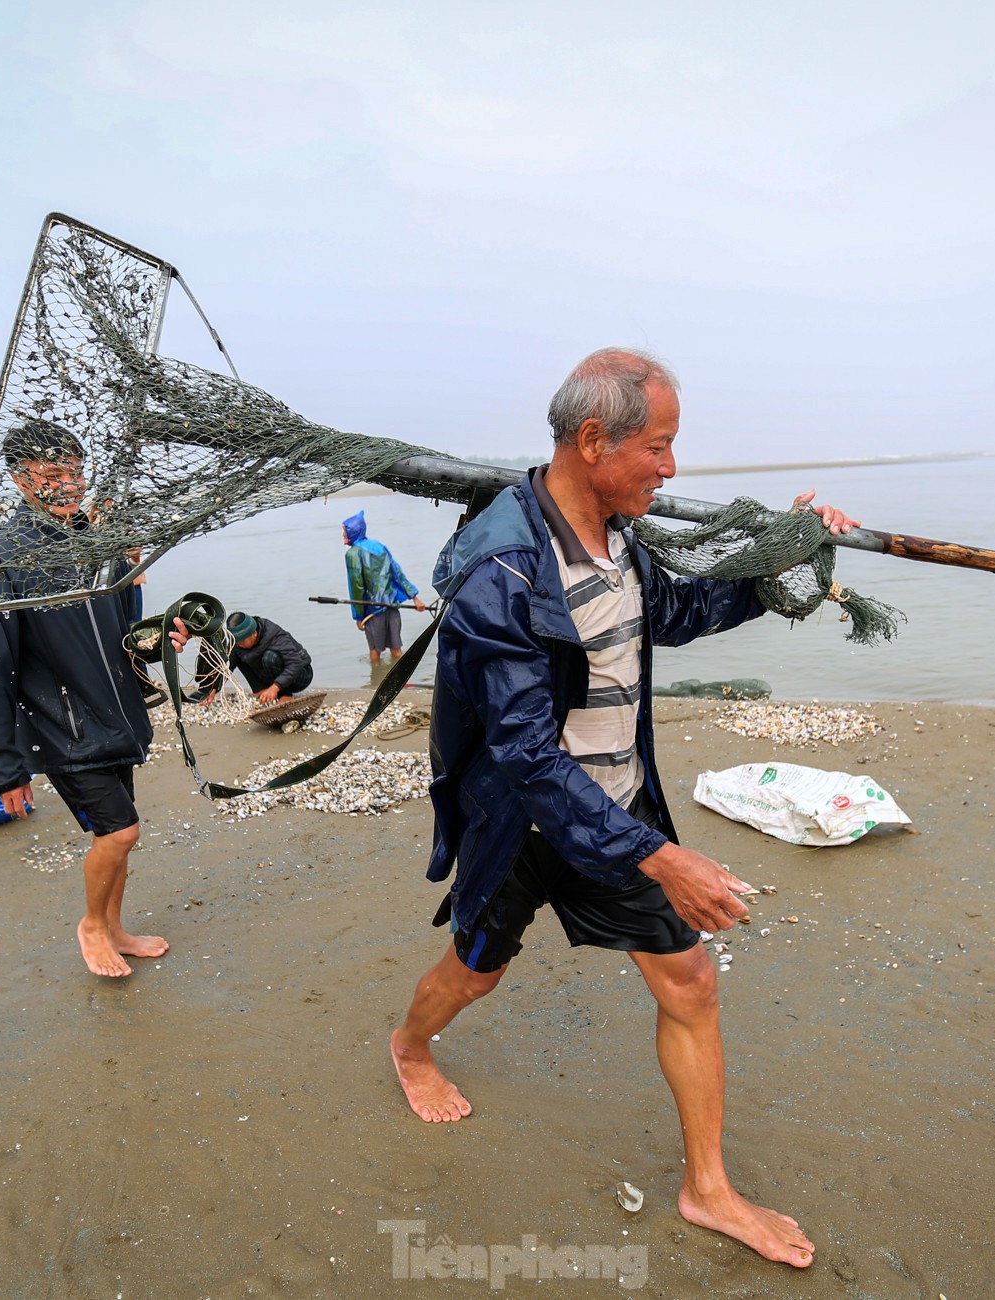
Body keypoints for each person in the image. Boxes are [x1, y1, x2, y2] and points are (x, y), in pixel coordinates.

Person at [387, 349, 857, 1270]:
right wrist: (664, 857)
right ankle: (409, 1047)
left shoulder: (615, 530)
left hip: (617, 810)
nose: (672, 468)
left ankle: (708, 1189)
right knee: (477, 972)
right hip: (523, 820)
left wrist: (785, 559)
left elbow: (671, 613)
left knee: (690, 982)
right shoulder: (506, 572)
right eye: (660, 445)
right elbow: (524, 755)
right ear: (593, 440)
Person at [0, 419, 164, 979]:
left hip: (115, 715)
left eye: (75, 472)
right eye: (53, 474)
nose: (68, 485)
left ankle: (117, 928)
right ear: (19, 478)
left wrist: (156, 636)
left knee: (118, 837)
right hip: (61, 724)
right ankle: (93, 927)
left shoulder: (94, 538)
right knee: (120, 832)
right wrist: (5, 765)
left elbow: (120, 633)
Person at [342, 511, 427, 664]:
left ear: (353, 531)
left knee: (374, 651)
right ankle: (404, 680)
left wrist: (359, 615)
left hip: (372, 609)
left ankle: (375, 683)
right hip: (392, 605)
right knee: (396, 649)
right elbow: (397, 572)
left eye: (344, 532)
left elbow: (357, 587)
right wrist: (415, 598)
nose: (343, 536)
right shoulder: (379, 546)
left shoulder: (353, 554)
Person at [193, 609, 314, 705]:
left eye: (242, 641)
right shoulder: (237, 642)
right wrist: (213, 688)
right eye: (237, 641)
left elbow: (295, 664)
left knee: (269, 657)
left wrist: (275, 688)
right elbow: (227, 667)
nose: (239, 644)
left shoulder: (274, 634)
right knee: (238, 655)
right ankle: (260, 690)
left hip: (301, 675)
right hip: (274, 675)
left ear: (254, 633)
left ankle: (285, 694)